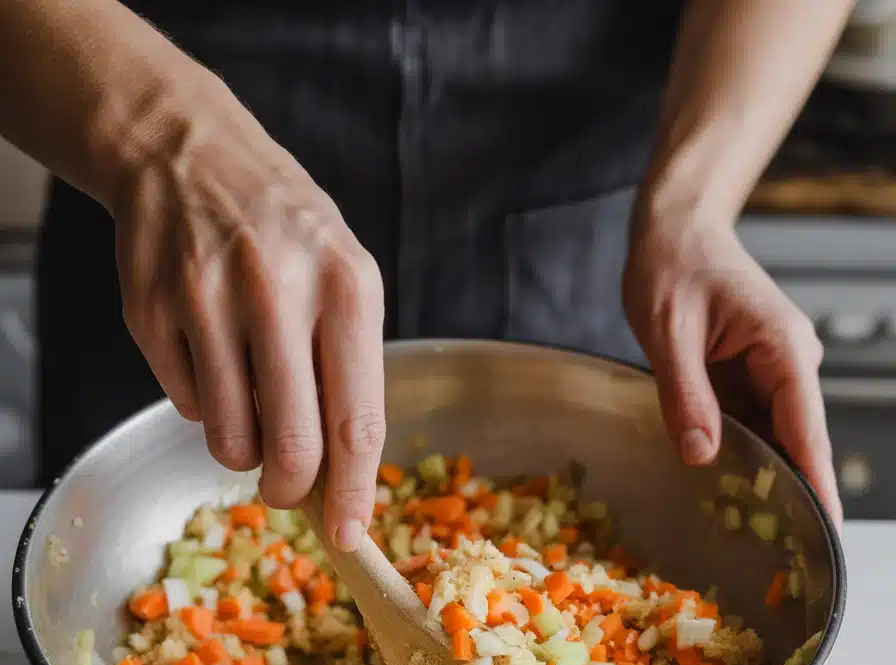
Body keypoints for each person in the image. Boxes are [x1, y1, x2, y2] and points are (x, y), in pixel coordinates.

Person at [0, 0, 848, 550]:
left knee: (606, 518)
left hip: (580, 197)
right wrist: (159, 132)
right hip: (163, 196)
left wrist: (695, 204)